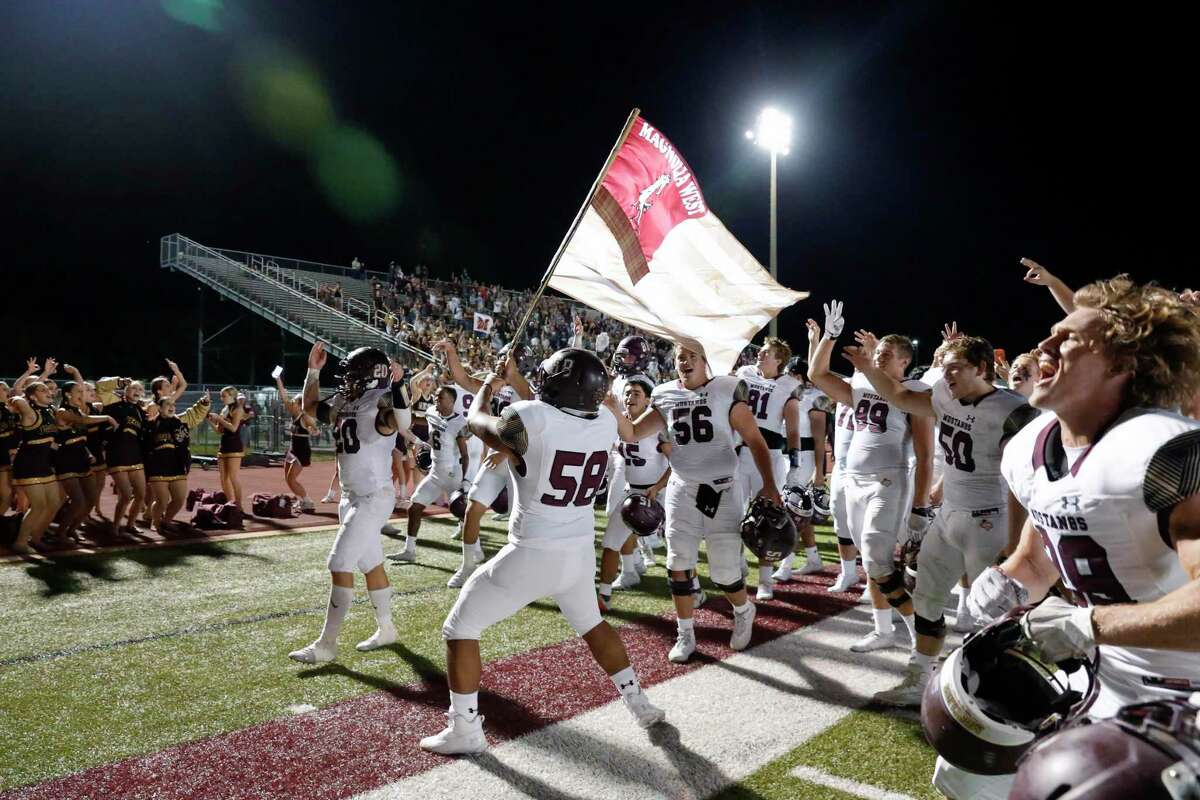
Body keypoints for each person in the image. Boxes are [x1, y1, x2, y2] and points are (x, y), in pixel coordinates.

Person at [949, 276, 1200, 800]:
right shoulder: (1028, 447)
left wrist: (1089, 622)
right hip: (1099, 683)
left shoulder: (1166, 451)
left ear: (1123, 363)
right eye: (1050, 332)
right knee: (966, 771)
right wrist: (1010, 582)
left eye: (1069, 339)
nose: (1044, 345)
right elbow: (1040, 552)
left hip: (1187, 699)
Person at [419, 348, 664, 755]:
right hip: (577, 550)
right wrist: (514, 386)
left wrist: (488, 386)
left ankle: (464, 729)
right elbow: (551, 421)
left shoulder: (532, 416)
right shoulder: (605, 421)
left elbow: (479, 423)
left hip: (532, 550)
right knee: (593, 625)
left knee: (459, 627)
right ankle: (639, 702)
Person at [842, 333, 1037, 707]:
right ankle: (920, 677)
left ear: (981, 368)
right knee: (928, 600)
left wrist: (1014, 544)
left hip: (989, 520)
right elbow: (900, 397)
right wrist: (867, 367)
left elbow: (1018, 483)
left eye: (955, 369)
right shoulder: (946, 396)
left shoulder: (1014, 411)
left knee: (996, 614)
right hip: (949, 516)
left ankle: (997, 691)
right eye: (944, 369)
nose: (946, 377)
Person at [615, 344, 782, 663]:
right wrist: (611, 405)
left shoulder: (725, 389)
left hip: (723, 489)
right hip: (682, 487)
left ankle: (744, 609)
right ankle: (685, 633)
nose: (685, 361)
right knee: (678, 562)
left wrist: (770, 485)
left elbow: (755, 440)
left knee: (723, 570)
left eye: (692, 356)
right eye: (680, 356)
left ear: (706, 361)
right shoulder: (665, 394)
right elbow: (634, 432)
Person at [808, 301, 936, 653]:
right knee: (870, 560)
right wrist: (829, 337)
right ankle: (883, 630)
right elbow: (817, 375)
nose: (878, 357)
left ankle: (917, 631)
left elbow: (925, 455)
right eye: (877, 351)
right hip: (854, 481)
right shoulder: (862, 384)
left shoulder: (916, 391)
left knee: (879, 559)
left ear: (904, 361)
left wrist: (921, 506)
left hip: (888, 481)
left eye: (887, 353)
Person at [289, 343, 406, 663]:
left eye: (354, 374)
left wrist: (400, 386)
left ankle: (326, 646)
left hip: (373, 497)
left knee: (339, 564)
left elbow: (401, 419)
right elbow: (309, 409)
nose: (347, 380)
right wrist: (313, 370)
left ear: (371, 376)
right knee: (371, 565)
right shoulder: (346, 400)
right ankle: (387, 629)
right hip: (351, 497)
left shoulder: (380, 402)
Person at [597, 376, 671, 607]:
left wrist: (658, 487)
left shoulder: (658, 427)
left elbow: (678, 462)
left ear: (649, 400)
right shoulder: (619, 423)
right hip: (633, 493)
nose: (630, 397)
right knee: (610, 542)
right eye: (628, 393)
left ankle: (692, 588)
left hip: (662, 493)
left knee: (677, 543)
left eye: (637, 393)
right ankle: (603, 594)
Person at [387, 385, 469, 564]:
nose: (436, 400)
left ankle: (474, 551)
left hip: (453, 475)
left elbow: (465, 455)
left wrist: (465, 481)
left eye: (440, 397)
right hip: (435, 474)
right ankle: (409, 550)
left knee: (464, 513)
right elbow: (419, 420)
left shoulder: (459, 422)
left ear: (452, 402)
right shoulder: (432, 412)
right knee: (414, 508)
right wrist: (403, 414)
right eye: (436, 397)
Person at [145, 392, 212, 530]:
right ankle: (155, 523)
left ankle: (167, 521)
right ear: (159, 407)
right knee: (162, 501)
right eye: (168, 404)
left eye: (173, 404)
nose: (172, 407)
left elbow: (195, 414)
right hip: (158, 467)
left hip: (177, 465)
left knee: (179, 499)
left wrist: (204, 403)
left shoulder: (180, 421)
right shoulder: (150, 425)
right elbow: (144, 448)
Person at [98, 375, 150, 534]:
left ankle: (130, 525)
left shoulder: (141, 411)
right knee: (126, 495)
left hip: (135, 455)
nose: (137, 391)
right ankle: (115, 526)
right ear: (126, 390)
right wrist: (119, 381)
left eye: (140, 389)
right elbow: (100, 387)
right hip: (117, 454)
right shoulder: (114, 402)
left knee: (141, 494)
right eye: (134, 388)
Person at [276, 372, 318, 511]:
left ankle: (308, 501)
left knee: (292, 479)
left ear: (300, 405)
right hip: (292, 449)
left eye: (294, 402)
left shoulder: (304, 417)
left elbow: (316, 429)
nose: (291, 403)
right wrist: (278, 379)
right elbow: (284, 396)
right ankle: (302, 500)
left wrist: (314, 430)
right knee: (288, 479)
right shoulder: (294, 413)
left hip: (301, 451)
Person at [208, 387, 246, 511]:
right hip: (224, 445)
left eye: (224, 396)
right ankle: (231, 503)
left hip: (234, 446)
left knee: (233, 477)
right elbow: (219, 430)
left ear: (232, 396)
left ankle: (239, 505)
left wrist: (219, 419)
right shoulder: (224, 409)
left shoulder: (238, 409)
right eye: (221, 396)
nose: (222, 398)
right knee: (223, 478)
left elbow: (234, 428)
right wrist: (210, 421)